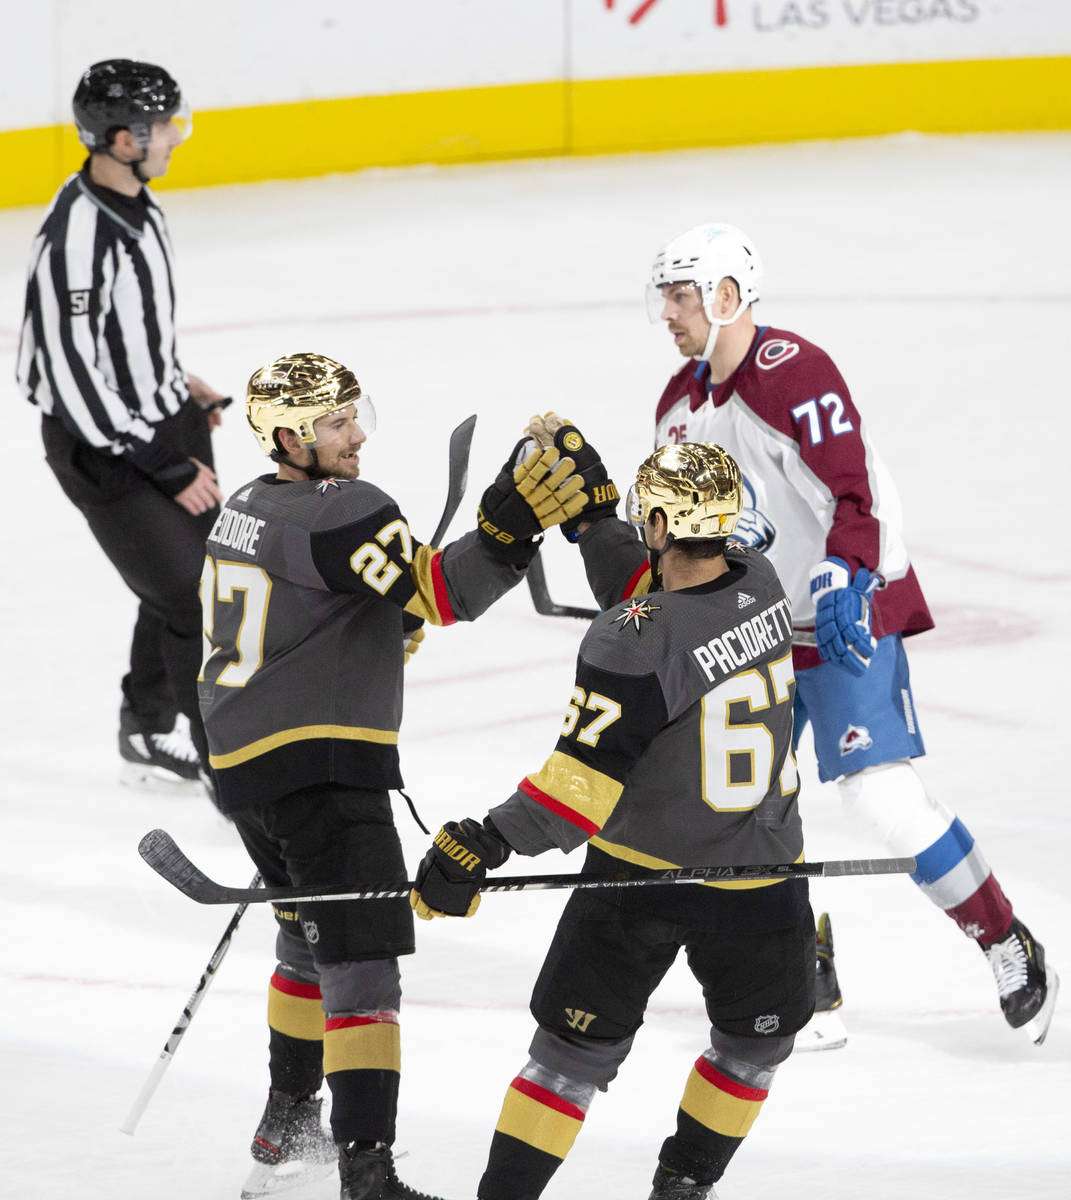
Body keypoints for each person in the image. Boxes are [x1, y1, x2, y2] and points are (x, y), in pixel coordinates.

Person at [545, 221, 1058, 1047]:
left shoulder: (794, 373)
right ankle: (804, 971)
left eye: (682, 295)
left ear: (725, 294)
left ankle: (1003, 936)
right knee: (745, 802)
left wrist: (847, 573)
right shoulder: (676, 407)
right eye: (665, 295)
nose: (668, 312)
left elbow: (852, 492)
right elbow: (680, 541)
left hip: (844, 611)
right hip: (753, 629)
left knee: (880, 798)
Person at [198, 351, 585, 1200]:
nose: (357, 433)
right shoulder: (348, 510)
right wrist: (510, 525)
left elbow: (327, 599)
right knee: (362, 959)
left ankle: (287, 1116)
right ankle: (365, 1170)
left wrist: (368, 625)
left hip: (242, 765)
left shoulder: (244, 507)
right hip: (320, 767)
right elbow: (440, 593)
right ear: (293, 436)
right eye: (337, 422)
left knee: (305, 933)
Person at [411, 442, 816, 1200]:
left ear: (658, 523)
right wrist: (596, 522)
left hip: (639, 879)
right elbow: (657, 595)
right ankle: (685, 1184)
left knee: (566, 1058)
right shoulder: (759, 585)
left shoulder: (629, 637)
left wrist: (485, 841)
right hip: (760, 879)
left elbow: (577, 787)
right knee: (752, 1049)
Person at [16, 58, 230, 790]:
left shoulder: (136, 199)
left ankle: (146, 722)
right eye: (163, 124)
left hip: (159, 420)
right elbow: (68, 375)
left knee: (197, 585)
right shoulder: (76, 233)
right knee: (193, 596)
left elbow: (127, 329)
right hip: (107, 451)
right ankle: (223, 766)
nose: (177, 135)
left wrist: (176, 382)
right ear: (122, 137)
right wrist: (161, 459)